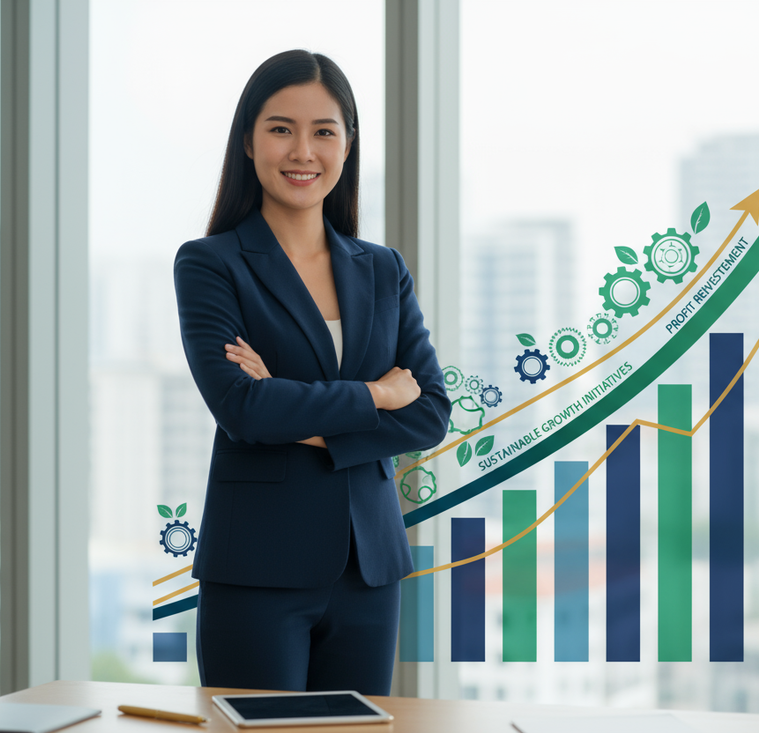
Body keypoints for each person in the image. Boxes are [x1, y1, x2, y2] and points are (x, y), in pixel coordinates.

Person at [172, 49, 451, 695]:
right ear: (248, 140)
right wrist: (377, 394)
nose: (303, 150)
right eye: (280, 128)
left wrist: (293, 411)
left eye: (324, 130)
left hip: (369, 569)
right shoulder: (212, 264)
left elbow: (430, 412)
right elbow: (242, 409)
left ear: (348, 145)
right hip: (256, 571)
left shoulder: (383, 269)